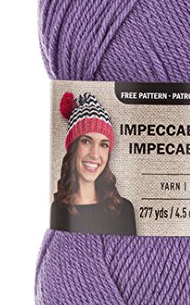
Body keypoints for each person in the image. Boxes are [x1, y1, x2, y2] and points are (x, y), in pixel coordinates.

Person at [51, 91, 137, 236]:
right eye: (86, 141)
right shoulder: (58, 209)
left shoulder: (124, 209)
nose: (95, 154)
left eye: (103, 145)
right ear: (73, 148)